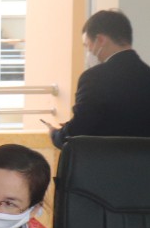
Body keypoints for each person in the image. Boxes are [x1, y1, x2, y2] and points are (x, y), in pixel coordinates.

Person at [48, 9, 150, 147]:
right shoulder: (146, 74)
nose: (88, 51)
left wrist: (55, 134)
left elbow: (76, 133)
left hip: (105, 159)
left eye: (87, 45)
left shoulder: (93, 78)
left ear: (100, 40)